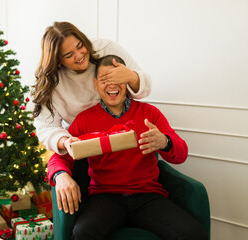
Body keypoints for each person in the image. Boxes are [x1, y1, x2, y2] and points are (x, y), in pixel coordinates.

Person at [47, 55, 208, 240]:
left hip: (148, 195)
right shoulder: (84, 120)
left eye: (117, 78)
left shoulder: (150, 113)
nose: (112, 84)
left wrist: (165, 141)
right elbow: (58, 157)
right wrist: (61, 176)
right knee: (83, 234)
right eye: (105, 79)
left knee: (194, 234)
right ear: (95, 84)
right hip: (105, 197)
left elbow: (181, 154)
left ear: (127, 81)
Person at [31, 21, 152, 157]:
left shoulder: (107, 49)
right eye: (69, 55)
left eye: (80, 46)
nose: (79, 56)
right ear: (58, 61)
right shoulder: (53, 83)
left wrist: (131, 76)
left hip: (124, 139)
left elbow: (145, 89)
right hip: (86, 147)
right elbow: (46, 127)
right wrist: (65, 142)